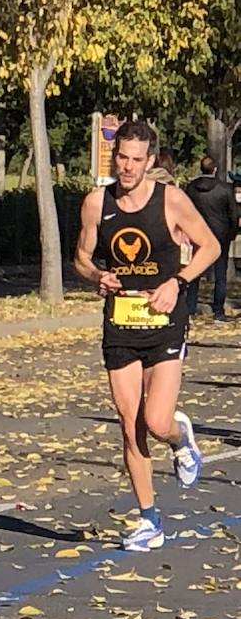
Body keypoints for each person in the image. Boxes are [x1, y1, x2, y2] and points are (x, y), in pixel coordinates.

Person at [73, 120, 216, 553]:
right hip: (120, 322)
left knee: (156, 422)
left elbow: (210, 246)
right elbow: (80, 257)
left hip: (164, 320)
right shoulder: (97, 203)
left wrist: (179, 281)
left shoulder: (170, 200)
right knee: (129, 424)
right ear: (113, 158)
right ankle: (149, 521)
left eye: (137, 159)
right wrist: (97, 274)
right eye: (122, 158)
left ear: (150, 161)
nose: (129, 167)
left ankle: (180, 438)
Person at [184, 155, 238, 319]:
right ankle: (218, 311)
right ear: (215, 169)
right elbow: (233, 214)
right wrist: (232, 233)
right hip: (220, 234)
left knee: (194, 271)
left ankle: (190, 309)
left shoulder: (191, 188)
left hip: (197, 233)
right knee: (220, 274)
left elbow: (185, 211)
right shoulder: (224, 189)